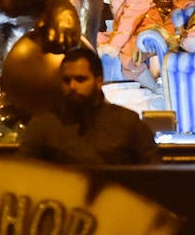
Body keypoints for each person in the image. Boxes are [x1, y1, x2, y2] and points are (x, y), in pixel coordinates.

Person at [16, 48, 161, 166]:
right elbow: (24, 174)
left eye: (80, 79)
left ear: (98, 82)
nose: (72, 86)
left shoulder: (127, 123)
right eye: (66, 80)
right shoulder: (43, 125)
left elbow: (152, 176)